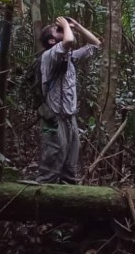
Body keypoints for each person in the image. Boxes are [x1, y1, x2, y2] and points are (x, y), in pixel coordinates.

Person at [35, 16, 101, 184]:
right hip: (53, 119)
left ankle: (67, 201)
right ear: (51, 41)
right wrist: (65, 24)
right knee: (51, 164)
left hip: (70, 118)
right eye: (58, 31)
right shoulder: (49, 56)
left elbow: (95, 44)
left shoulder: (70, 58)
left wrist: (77, 25)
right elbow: (69, 41)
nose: (63, 31)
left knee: (70, 167)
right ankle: (41, 202)